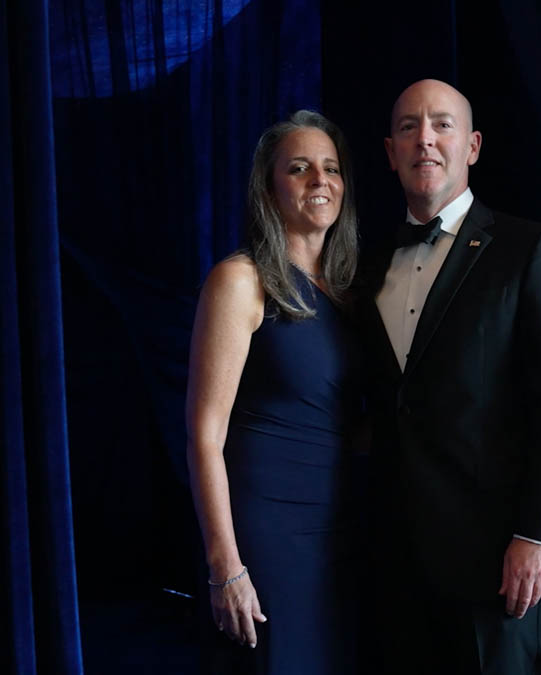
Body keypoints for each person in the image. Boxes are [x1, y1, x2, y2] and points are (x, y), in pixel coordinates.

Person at [360, 79, 541, 673]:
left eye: (442, 124)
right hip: (392, 563)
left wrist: (540, 536)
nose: (425, 139)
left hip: (498, 562)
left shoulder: (530, 248)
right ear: (390, 152)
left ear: (473, 146)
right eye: (408, 127)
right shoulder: (365, 264)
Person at [185, 110, 361, 674]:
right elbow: (204, 436)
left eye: (331, 168)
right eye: (299, 168)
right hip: (269, 537)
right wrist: (225, 566)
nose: (320, 180)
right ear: (268, 188)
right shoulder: (241, 280)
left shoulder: (348, 293)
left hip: (343, 538)